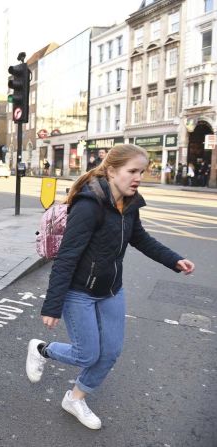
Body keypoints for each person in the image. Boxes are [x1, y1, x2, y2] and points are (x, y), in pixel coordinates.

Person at [25, 144, 195, 430]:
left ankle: (75, 398)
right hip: (79, 292)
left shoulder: (129, 203)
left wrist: (174, 260)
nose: (138, 177)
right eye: (132, 171)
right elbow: (67, 257)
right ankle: (42, 350)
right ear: (112, 171)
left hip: (111, 289)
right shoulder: (89, 205)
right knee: (87, 353)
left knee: (111, 352)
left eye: (142, 171)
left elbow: (139, 238)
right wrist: (52, 305)